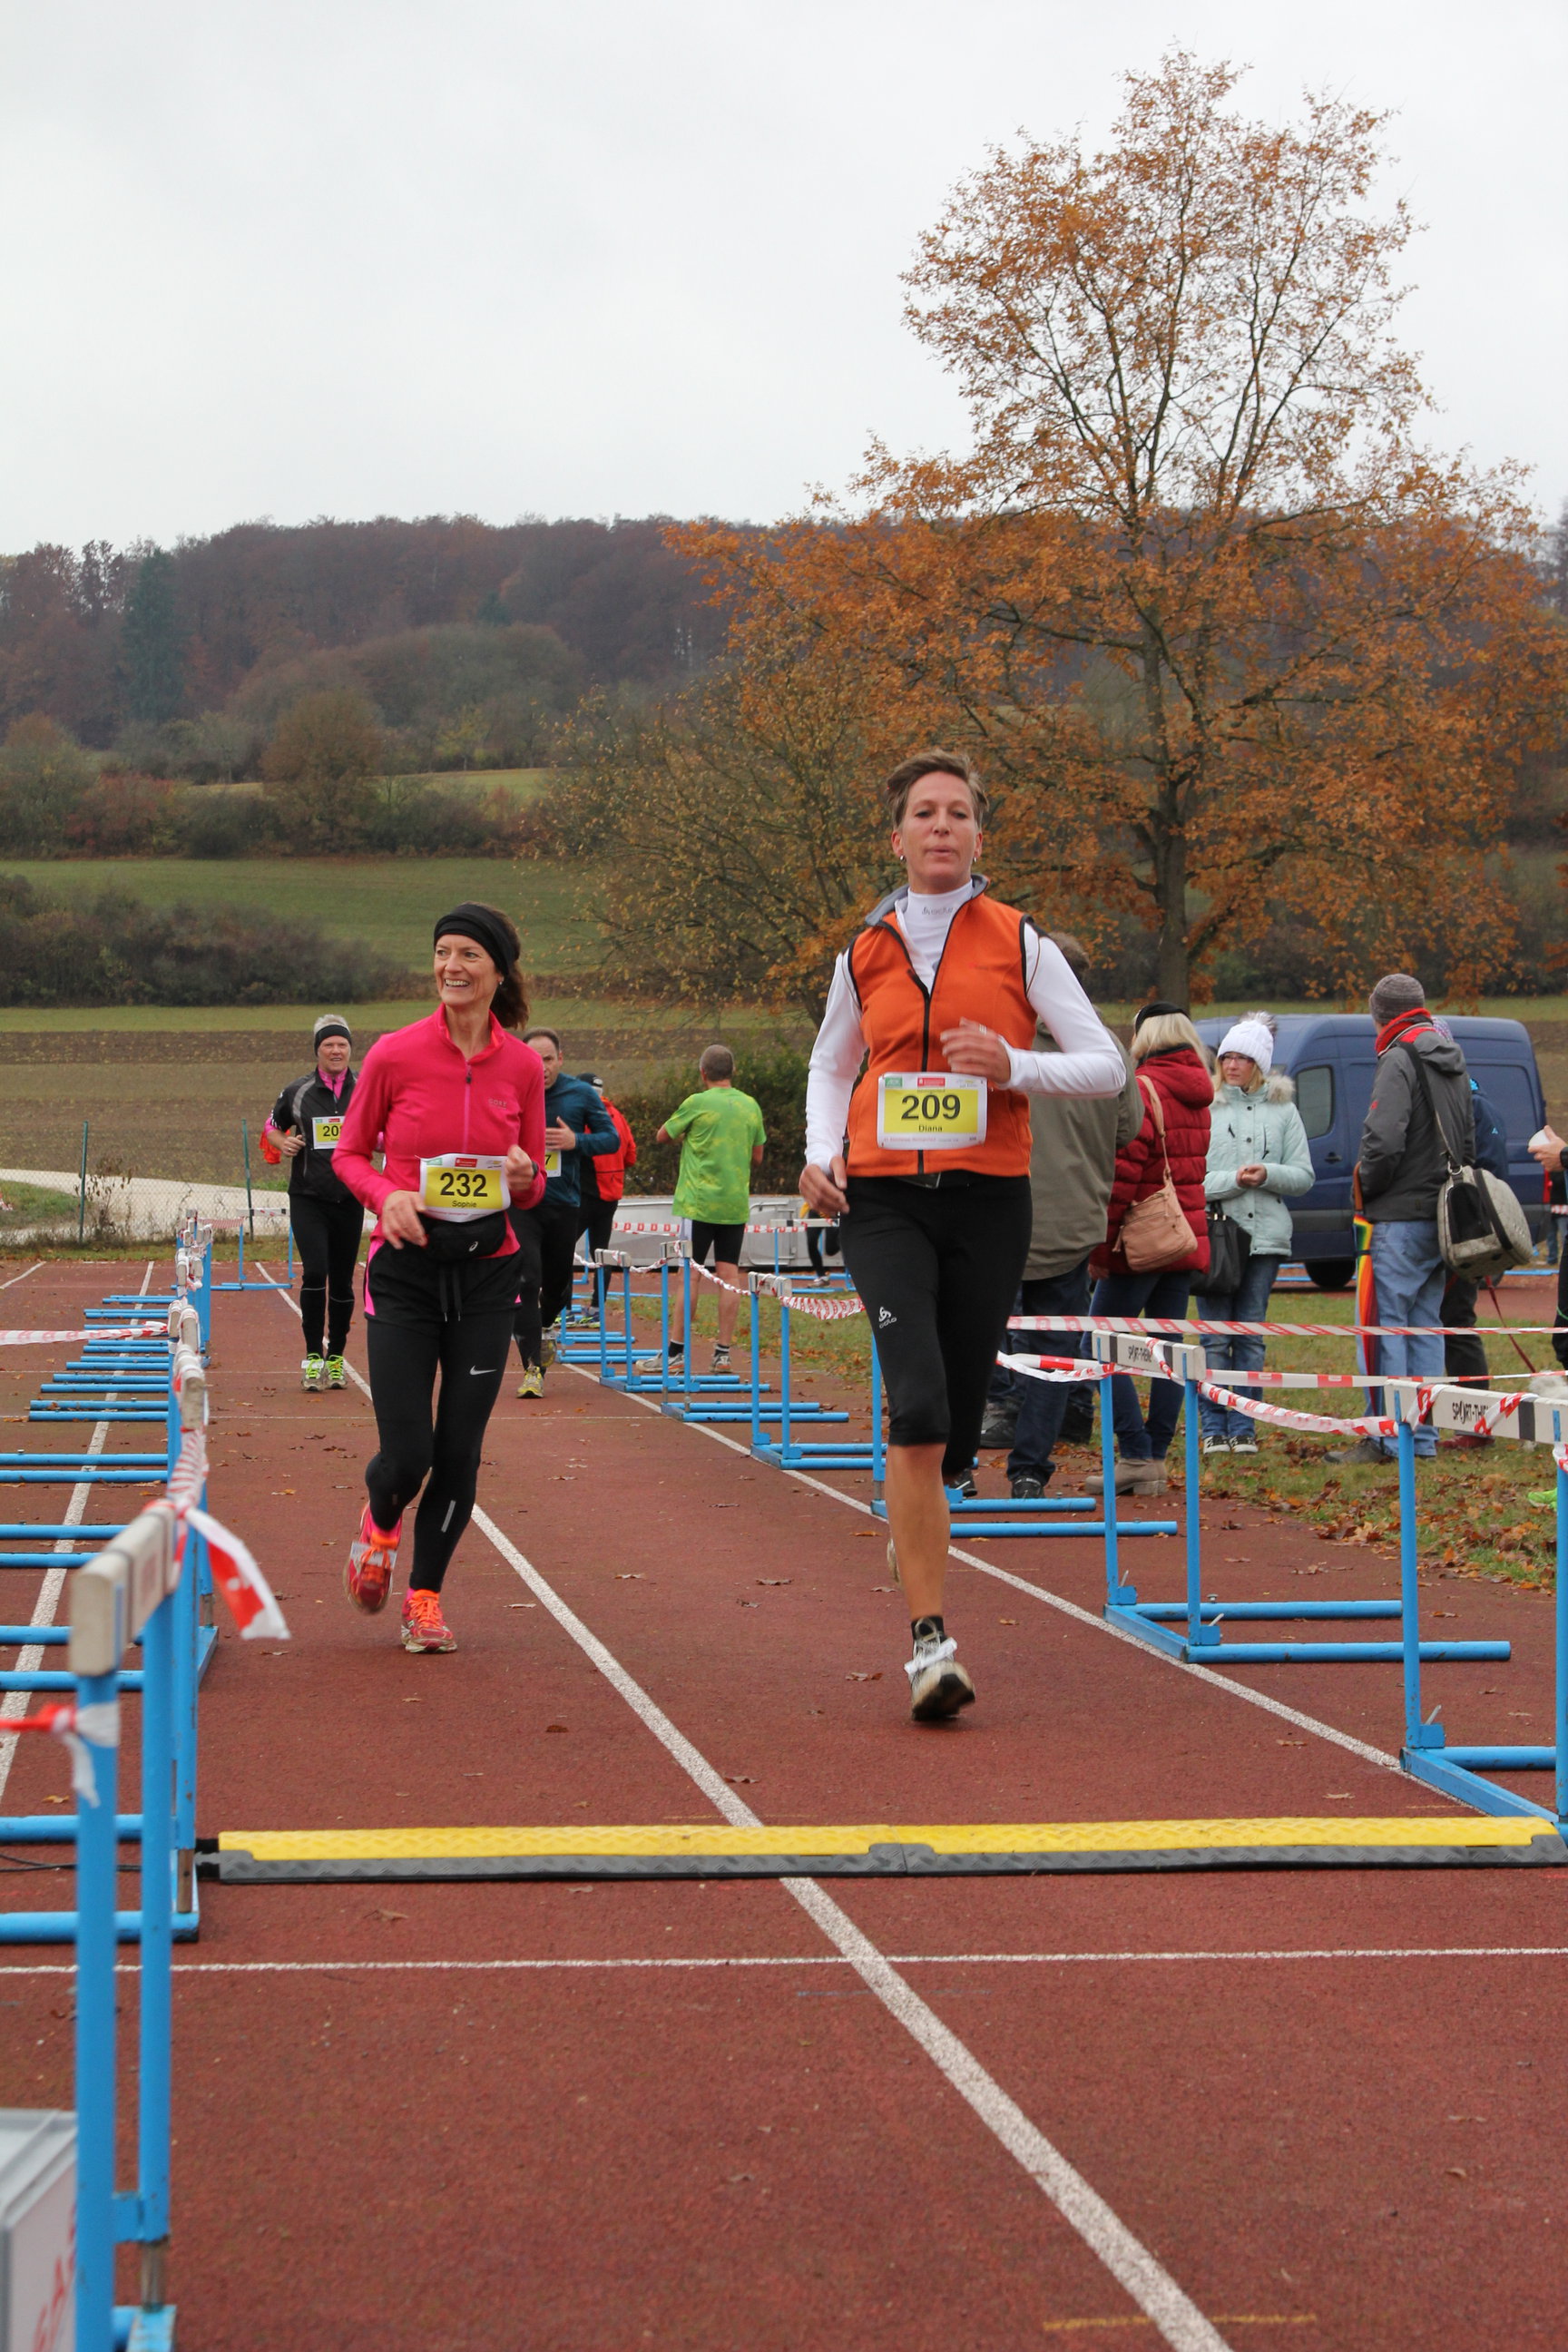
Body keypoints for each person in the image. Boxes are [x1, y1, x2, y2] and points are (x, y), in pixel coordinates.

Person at [802, 750, 1124, 1721]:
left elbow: (1106, 1066)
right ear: (897, 837)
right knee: (919, 1403)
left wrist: (1014, 1065)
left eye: (957, 812)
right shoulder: (865, 950)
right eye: (923, 812)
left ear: (980, 837)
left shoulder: (1022, 942)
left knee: (948, 1434)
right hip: (885, 1201)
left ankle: (923, 1503)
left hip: (989, 1201)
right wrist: (821, 1152)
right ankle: (930, 1643)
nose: (940, 826)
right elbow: (831, 1065)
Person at [333, 903, 545, 1654]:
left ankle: (424, 1599)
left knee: (459, 1452)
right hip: (406, 1276)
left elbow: (533, 1184)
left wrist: (525, 1177)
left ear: (498, 972)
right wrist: (385, 1196)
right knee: (408, 1455)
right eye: (442, 952)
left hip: (487, 1277)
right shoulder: (394, 1055)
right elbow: (348, 1153)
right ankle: (380, 1521)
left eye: (467, 955)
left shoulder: (522, 1067)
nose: (451, 966)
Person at [1004, 933, 1143, 1499]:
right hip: (1074, 1222)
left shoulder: (1001, 1037)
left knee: (972, 1337)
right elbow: (1129, 1128)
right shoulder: (1107, 1047)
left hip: (999, 1215)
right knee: (1055, 1353)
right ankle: (1029, 1469)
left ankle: (956, 1460)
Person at [1327, 973, 1474, 1466]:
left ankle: (1388, 1438)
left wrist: (1368, 1185)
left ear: (1379, 1014)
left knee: (1383, 1327)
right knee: (1426, 1326)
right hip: (1442, 1214)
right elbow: (1467, 1139)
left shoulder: (1398, 1056)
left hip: (1398, 1214)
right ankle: (1423, 1439)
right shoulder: (1451, 1057)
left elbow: (1384, 1139)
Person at [1083, 1005, 1213, 1498]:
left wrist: (1101, 1247)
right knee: (1168, 1351)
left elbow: (1124, 1176)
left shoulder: (1143, 1089)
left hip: (1139, 1238)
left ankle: (1135, 1453)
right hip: (1183, 1235)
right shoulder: (1200, 1093)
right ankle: (1155, 1455)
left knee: (1097, 1342)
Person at [1193, 1014, 1313, 1455]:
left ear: (1259, 1064)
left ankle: (1244, 1427)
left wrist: (1268, 1174)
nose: (1232, 1065)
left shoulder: (1284, 1111)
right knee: (1214, 1338)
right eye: (1226, 1057)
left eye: (1242, 1058)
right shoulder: (1205, 1108)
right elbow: (1191, 1179)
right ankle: (1212, 1426)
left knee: (1250, 1336)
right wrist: (1233, 1181)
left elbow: (1304, 1176)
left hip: (1264, 1241)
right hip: (1214, 1237)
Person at [260, 1014, 364, 1392]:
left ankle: (336, 1357)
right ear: (318, 1050)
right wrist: (282, 1142)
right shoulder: (298, 1091)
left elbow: (389, 1126)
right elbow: (272, 1126)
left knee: (343, 1279)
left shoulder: (366, 1088)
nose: (336, 1051)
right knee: (316, 1271)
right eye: (328, 1045)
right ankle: (312, 1357)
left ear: (350, 1049)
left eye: (342, 1045)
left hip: (350, 1195)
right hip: (309, 1196)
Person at [510, 1030, 617, 1396]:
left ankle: (543, 1327)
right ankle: (532, 1368)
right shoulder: (510, 1090)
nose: (541, 1067)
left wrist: (576, 1141)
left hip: (563, 1204)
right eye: (533, 1059)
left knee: (556, 1287)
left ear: (560, 1059)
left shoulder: (580, 1094)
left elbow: (611, 1139)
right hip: (522, 1204)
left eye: (548, 1059)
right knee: (527, 1279)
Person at [658, 1045, 766, 1372]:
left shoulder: (697, 1102)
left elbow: (663, 1136)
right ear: (733, 1072)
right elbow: (758, 1156)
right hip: (734, 1203)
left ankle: (676, 1353)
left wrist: (688, 1137)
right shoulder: (750, 1106)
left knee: (689, 1275)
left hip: (698, 1203)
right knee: (729, 1275)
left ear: (702, 1073)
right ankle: (723, 1353)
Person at [1436, 1034, 1510, 1443]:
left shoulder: (1476, 1106)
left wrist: (1479, 1240)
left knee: (1457, 1322)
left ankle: (1476, 1425)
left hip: (1464, 1238)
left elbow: (1490, 1178)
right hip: (1439, 1232)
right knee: (1444, 1323)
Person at [574, 1072, 636, 1311]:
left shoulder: (581, 1115)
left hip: (584, 1194)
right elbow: (631, 1155)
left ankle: (560, 1309)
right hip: (610, 1195)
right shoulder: (617, 1116)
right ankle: (597, 1308)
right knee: (601, 1252)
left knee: (560, 1249)